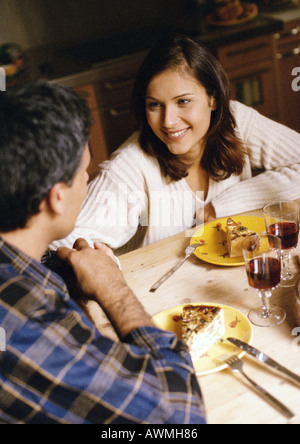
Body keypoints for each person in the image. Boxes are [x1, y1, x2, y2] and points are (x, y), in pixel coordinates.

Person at [0, 82, 206, 424]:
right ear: (57, 197)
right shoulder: (23, 322)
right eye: (84, 171)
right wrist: (113, 288)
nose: (88, 179)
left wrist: (64, 275)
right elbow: (180, 415)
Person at [51, 35, 300, 255]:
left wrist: (222, 206)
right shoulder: (129, 169)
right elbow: (61, 244)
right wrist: (104, 263)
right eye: (155, 105)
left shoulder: (236, 121)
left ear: (212, 99)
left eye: (182, 101)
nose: (168, 122)